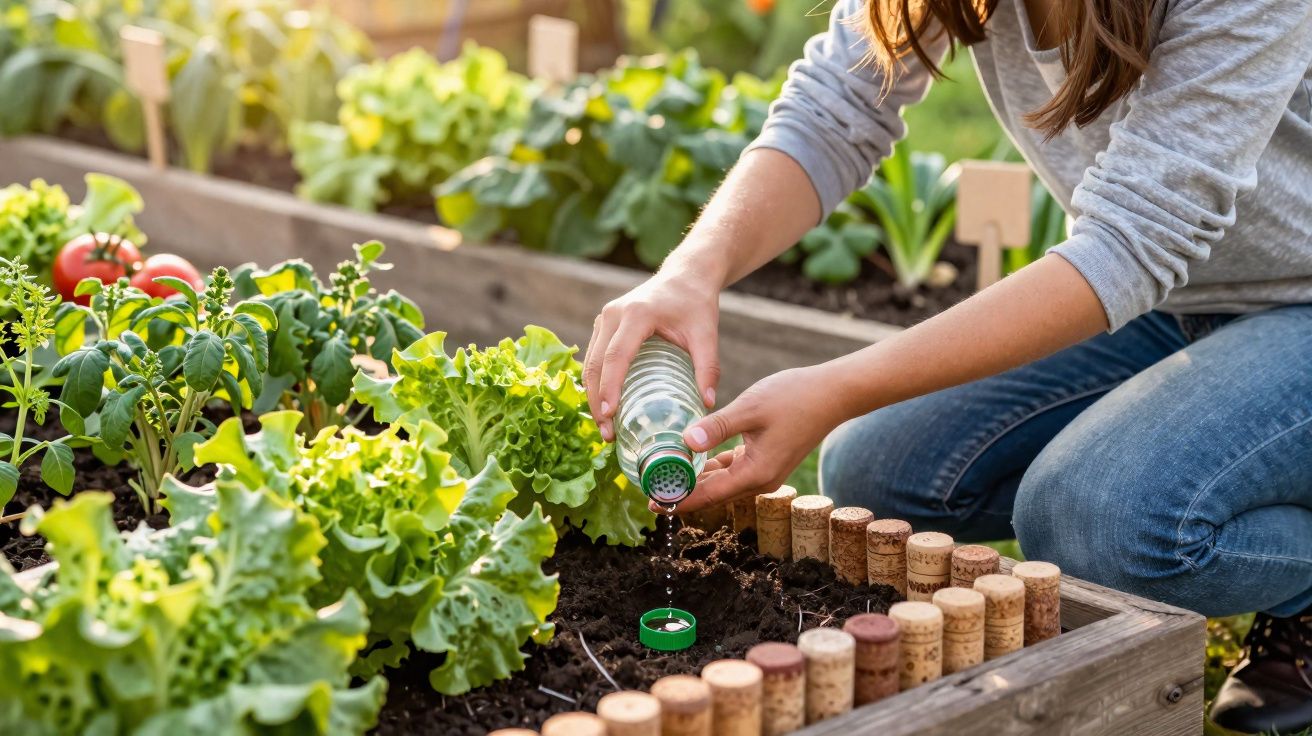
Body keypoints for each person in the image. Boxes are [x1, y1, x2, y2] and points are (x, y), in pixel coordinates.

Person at [583, 0, 1312, 731]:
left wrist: (834, 386)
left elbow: (1134, 240)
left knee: (1095, 519)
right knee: (879, 469)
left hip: (1298, 302)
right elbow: (832, 110)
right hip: (1166, 303)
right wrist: (691, 271)